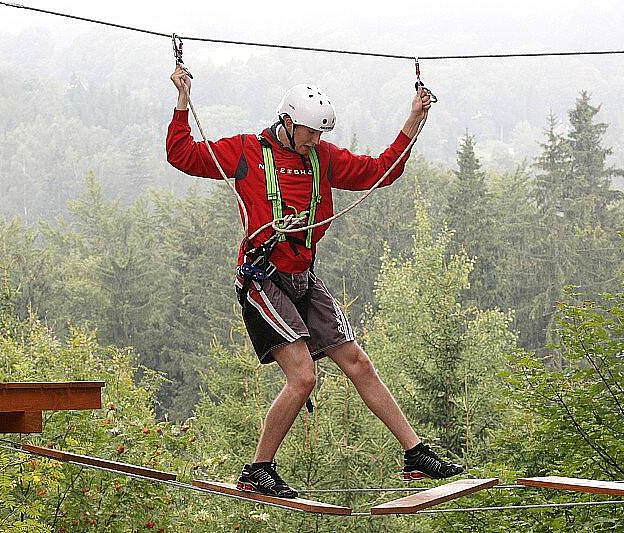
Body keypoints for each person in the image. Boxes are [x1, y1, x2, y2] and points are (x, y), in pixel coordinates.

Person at [166, 65, 464, 498]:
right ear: (287, 123)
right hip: (261, 279)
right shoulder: (248, 150)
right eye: (309, 133)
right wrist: (181, 101)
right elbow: (183, 155)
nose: (315, 142)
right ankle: (258, 470)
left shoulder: (323, 158)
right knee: (303, 376)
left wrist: (414, 119)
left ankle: (414, 453)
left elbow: (381, 170)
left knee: (357, 361)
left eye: (320, 134)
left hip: (303, 277)